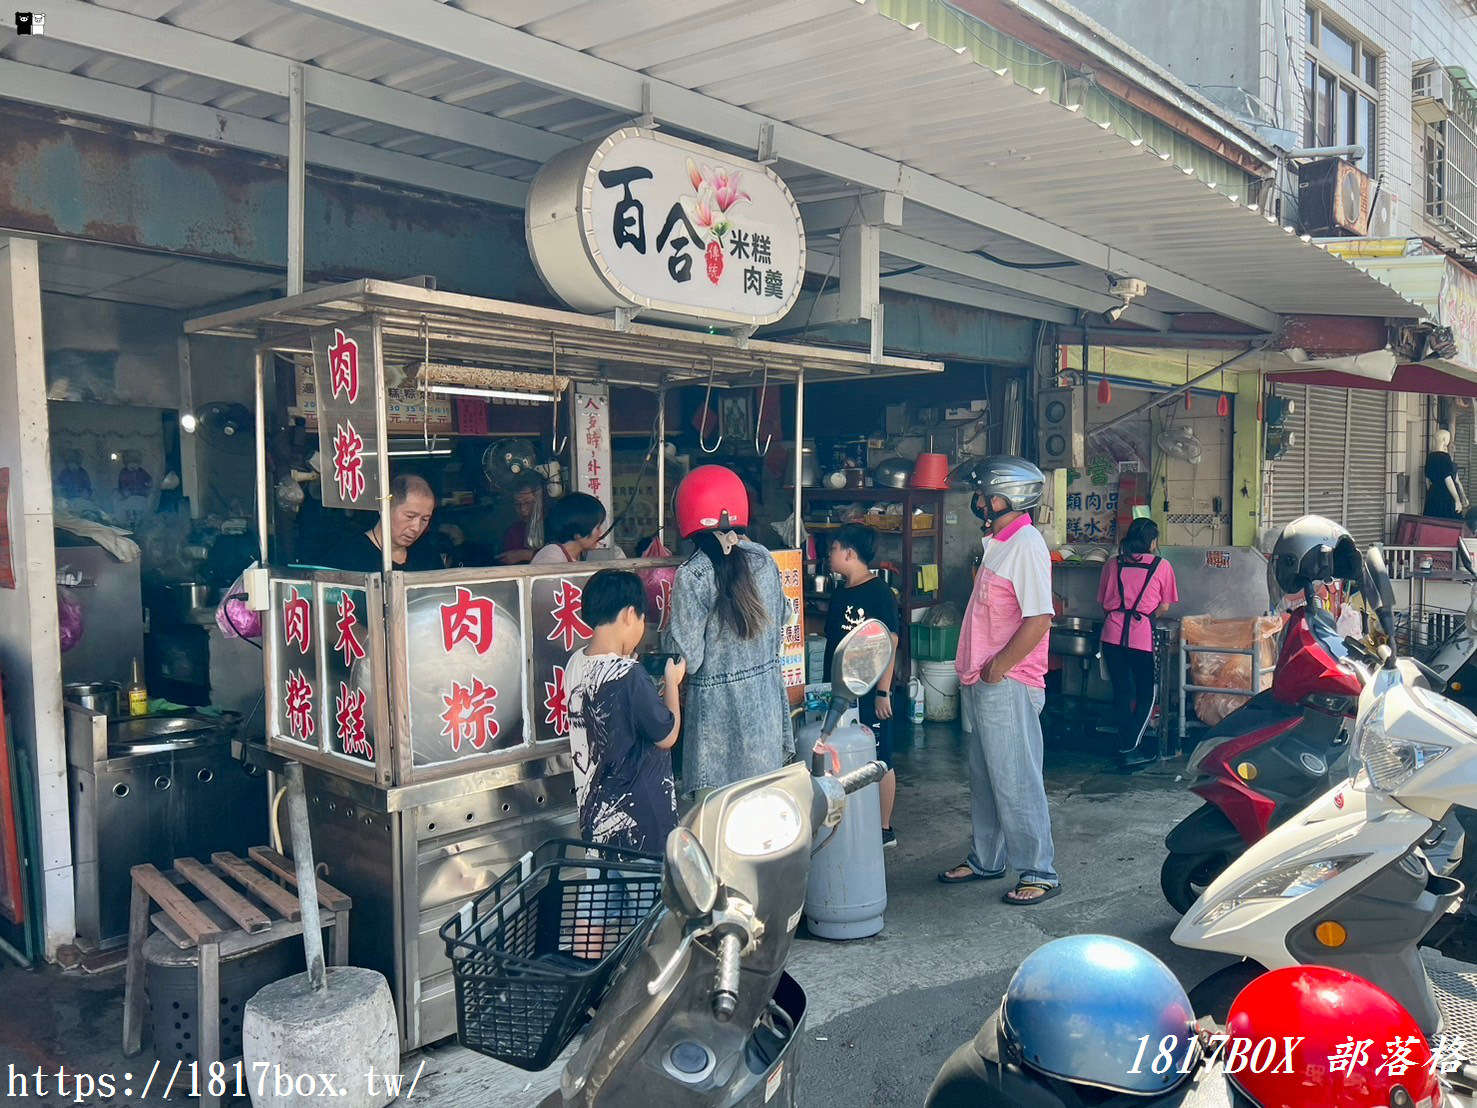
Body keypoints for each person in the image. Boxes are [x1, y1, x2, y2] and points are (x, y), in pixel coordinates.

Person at [938, 456, 1060, 905]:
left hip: (1007, 682)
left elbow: (1040, 617)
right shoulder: (999, 542)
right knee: (987, 777)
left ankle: (1038, 870)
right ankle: (986, 858)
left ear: (1009, 496)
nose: (978, 501)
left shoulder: (1025, 543)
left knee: (1016, 779)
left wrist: (999, 667)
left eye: (985, 494)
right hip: (983, 681)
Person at [665, 465, 793, 793]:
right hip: (765, 705)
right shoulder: (762, 558)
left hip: (717, 718)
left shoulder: (691, 575)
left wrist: (665, 633)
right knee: (763, 805)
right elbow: (784, 614)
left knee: (720, 816)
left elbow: (688, 658)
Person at [566, 569, 686, 853]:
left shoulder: (574, 664)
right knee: (649, 897)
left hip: (596, 826)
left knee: (603, 896)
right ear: (630, 614)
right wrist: (671, 682)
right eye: (642, 620)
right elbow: (666, 735)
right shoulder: (628, 673)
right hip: (643, 827)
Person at [824, 523, 900, 847]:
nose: (829, 555)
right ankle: (854, 822)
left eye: (833, 549)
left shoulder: (880, 592)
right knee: (846, 753)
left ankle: (884, 830)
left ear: (849, 553)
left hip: (870, 690)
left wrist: (883, 691)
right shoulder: (840, 592)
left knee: (881, 757)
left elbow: (891, 641)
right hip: (841, 691)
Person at [1097, 517, 1178, 768]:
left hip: (1111, 635)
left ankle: (1126, 745)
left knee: (1121, 691)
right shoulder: (1161, 566)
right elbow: (1163, 607)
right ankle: (1131, 747)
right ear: (1152, 542)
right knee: (1147, 693)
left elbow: (1103, 602)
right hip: (1141, 637)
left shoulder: (1113, 564)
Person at [323, 473, 443, 572]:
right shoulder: (347, 556)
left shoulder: (428, 556)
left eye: (425, 519)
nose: (416, 528)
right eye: (410, 516)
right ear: (385, 509)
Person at [532, 492, 607, 564]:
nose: (600, 532)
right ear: (578, 533)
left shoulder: (574, 556)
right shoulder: (552, 558)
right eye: (597, 528)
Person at [498, 476, 546, 565]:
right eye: (517, 504)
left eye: (528, 503)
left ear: (539, 502)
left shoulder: (551, 526)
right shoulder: (512, 532)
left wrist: (523, 555)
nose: (523, 509)